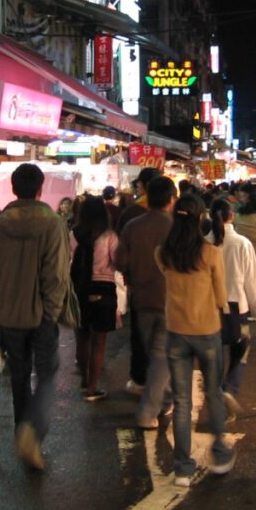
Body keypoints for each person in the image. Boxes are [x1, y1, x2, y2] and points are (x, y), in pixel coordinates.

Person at [0, 163, 70, 471]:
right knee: (46, 374)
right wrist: (51, 312)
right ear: (40, 188)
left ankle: (22, 431)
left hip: (7, 315)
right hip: (41, 317)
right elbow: (56, 275)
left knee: (19, 376)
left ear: (15, 188)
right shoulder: (52, 222)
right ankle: (32, 432)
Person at [156, 193, 235, 486]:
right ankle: (219, 452)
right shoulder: (211, 253)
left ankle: (182, 469)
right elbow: (222, 296)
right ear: (201, 219)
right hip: (207, 331)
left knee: (181, 401)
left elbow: (165, 271)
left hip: (176, 333)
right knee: (213, 393)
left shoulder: (163, 253)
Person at [115, 176, 177, 430]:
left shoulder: (132, 226)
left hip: (141, 299)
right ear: (172, 199)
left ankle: (165, 399)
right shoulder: (178, 227)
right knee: (162, 356)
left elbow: (120, 261)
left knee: (156, 354)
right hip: (171, 299)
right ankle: (148, 411)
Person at [207, 198, 256, 417]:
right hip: (237, 306)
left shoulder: (204, 242)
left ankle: (218, 398)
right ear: (232, 216)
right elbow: (252, 281)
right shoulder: (242, 244)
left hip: (210, 307)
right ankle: (229, 388)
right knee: (241, 348)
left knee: (215, 353)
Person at [116, 166, 164, 395]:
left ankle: (140, 381)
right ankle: (162, 390)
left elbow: (119, 258)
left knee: (141, 339)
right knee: (165, 344)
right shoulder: (176, 220)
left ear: (143, 186)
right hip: (172, 294)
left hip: (140, 291)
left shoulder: (131, 217)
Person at [70, 196, 119, 401]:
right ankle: (92, 387)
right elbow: (117, 261)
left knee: (82, 337)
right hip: (103, 289)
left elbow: (68, 258)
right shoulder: (109, 236)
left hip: (79, 289)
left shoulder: (73, 234)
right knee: (99, 342)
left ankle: (84, 379)